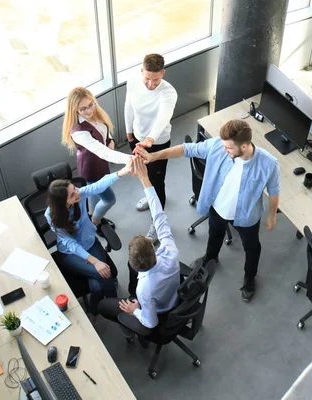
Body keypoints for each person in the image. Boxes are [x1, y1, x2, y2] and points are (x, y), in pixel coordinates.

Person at [135, 119, 281, 302]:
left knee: (252, 248)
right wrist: (154, 156)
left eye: (228, 148)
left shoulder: (269, 164)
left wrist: (272, 215)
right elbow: (186, 149)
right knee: (215, 234)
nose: (223, 150)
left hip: (246, 216)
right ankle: (211, 258)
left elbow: (274, 191)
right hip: (217, 208)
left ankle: (249, 278)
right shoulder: (219, 146)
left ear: (244, 146)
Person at [97, 157, 180, 331]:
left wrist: (135, 310)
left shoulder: (145, 289)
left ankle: (129, 330)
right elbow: (159, 216)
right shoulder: (170, 252)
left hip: (158, 309)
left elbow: (151, 322)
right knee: (136, 292)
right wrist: (145, 180)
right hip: (170, 294)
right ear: (153, 248)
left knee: (103, 306)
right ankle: (131, 293)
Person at [45, 159, 133, 320]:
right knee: (104, 274)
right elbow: (70, 244)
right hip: (70, 254)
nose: (77, 193)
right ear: (62, 203)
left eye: (75, 189)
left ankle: (94, 311)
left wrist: (122, 172)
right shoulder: (52, 216)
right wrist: (95, 262)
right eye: (72, 195)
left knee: (97, 286)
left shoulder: (80, 194)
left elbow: (98, 186)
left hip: (90, 243)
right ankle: (120, 313)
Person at [125, 53, 178, 242]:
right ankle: (149, 198)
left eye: (156, 79)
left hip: (158, 143)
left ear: (163, 73)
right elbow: (128, 107)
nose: (150, 84)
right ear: (141, 71)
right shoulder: (132, 82)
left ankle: (157, 224)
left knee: (157, 182)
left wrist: (150, 138)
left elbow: (164, 116)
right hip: (138, 138)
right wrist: (129, 132)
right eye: (147, 78)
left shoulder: (168, 92)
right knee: (143, 174)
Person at [62, 87, 132, 230]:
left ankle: (91, 213)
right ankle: (95, 221)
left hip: (100, 164)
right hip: (92, 168)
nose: (89, 110)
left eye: (91, 105)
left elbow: (104, 131)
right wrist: (130, 159)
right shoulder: (78, 131)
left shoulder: (95, 114)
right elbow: (102, 152)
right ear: (75, 110)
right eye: (83, 109)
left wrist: (110, 140)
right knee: (109, 199)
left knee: (93, 191)